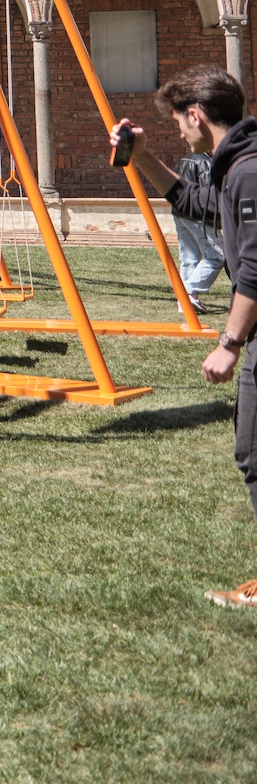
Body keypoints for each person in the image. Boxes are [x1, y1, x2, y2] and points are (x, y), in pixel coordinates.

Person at [111, 67, 257, 609]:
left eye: (177, 121)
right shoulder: (237, 164)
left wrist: (229, 343)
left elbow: (256, 269)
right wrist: (141, 156)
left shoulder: (247, 172)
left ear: (196, 115)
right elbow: (195, 204)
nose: (177, 130)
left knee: (253, 451)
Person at [174, 147, 227, 312]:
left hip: (180, 213)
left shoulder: (185, 159)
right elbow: (209, 194)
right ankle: (188, 291)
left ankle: (185, 301)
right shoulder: (205, 163)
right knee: (217, 256)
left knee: (189, 258)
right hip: (198, 216)